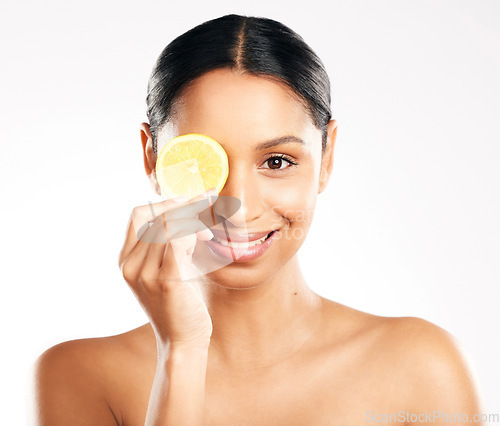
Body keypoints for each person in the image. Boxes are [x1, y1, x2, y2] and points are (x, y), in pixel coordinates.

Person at [31, 14, 484, 425]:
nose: (240, 207)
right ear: (151, 157)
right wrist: (182, 352)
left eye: (277, 162)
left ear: (326, 159)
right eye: (207, 164)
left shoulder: (421, 367)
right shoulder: (77, 376)